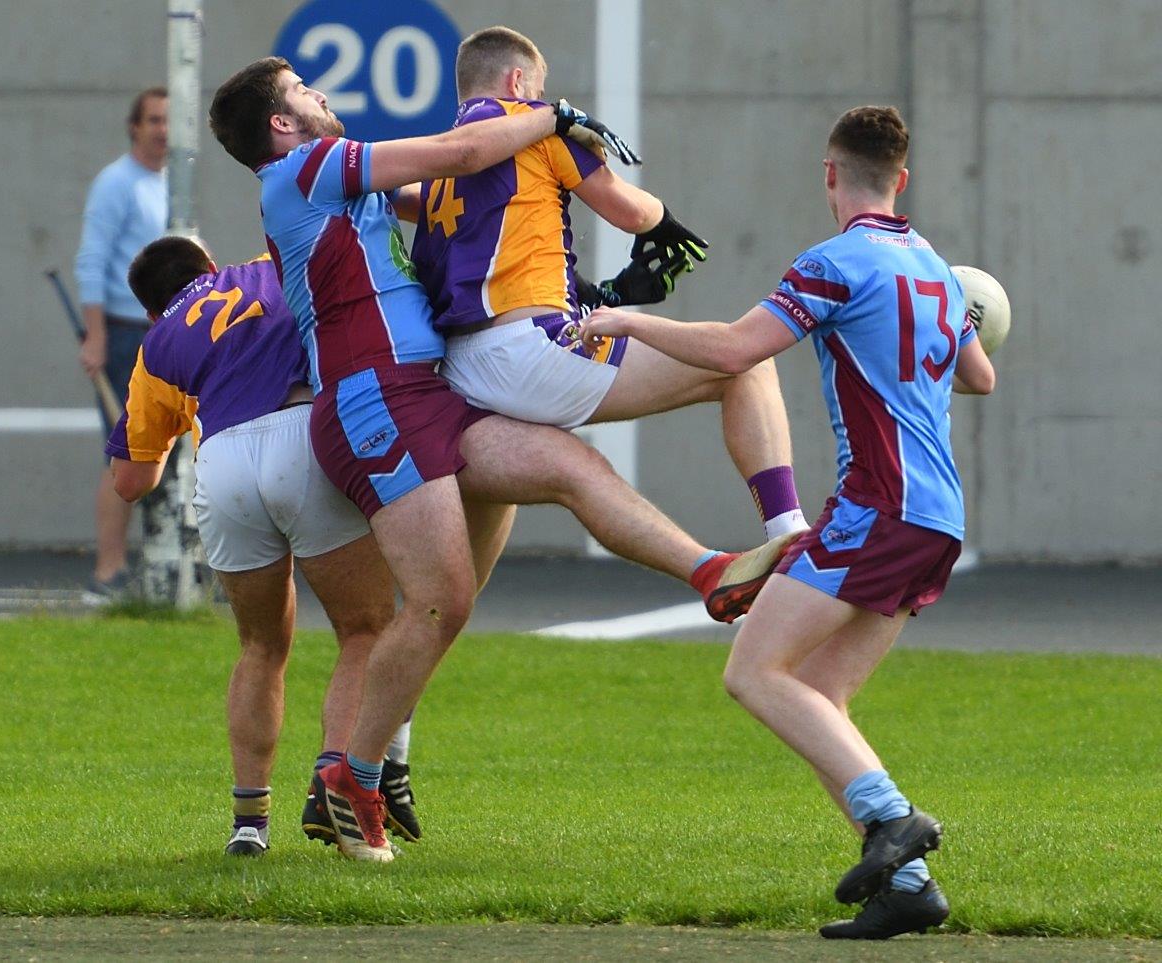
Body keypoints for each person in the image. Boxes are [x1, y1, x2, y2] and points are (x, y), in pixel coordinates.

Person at [208, 57, 787, 862]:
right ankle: (354, 775)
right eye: (305, 90)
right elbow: (455, 157)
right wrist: (549, 118)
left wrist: (577, 278)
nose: (321, 95)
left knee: (570, 467)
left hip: (425, 390)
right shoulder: (301, 169)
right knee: (441, 599)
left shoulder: (338, 180)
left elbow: (464, 202)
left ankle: (714, 575)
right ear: (281, 122)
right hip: (375, 400)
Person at [580, 106, 996, 940]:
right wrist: (968, 310)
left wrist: (624, 319)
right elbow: (977, 373)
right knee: (821, 694)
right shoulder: (934, 267)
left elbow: (737, 350)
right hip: (938, 515)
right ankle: (908, 885)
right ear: (901, 180)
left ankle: (893, 817)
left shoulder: (834, 262)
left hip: (881, 504)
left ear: (830, 173)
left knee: (754, 670)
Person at [406, 26, 809, 552]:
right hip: (527, 354)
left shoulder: (443, 162)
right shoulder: (533, 127)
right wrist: (665, 219)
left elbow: (499, 259)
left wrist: (604, 295)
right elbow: (630, 211)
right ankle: (791, 536)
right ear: (518, 79)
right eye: (538, 88)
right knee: (746, 363)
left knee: (457, 588)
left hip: (460, 369)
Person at [108, 237, 417, 856]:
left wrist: (170, 420)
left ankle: (249, 825)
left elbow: (131, 482)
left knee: (260, 645)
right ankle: (334, 780)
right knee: (365, 630)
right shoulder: (266, 270)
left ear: (150, 310)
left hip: (220, 465)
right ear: (211, 268)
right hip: (301, 438)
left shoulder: (157, 343)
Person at [74, 87, 169, 597]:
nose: (163, 129)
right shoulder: (117, 184)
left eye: (170, 121)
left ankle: (161, 570)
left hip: (160, 333)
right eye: (153, 120)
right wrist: (95, 335)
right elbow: (91, 259)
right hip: (122, 334)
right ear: (135, 126)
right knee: (123, 457)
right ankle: (107, 572)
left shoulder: (170, 183)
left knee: (163, 458)